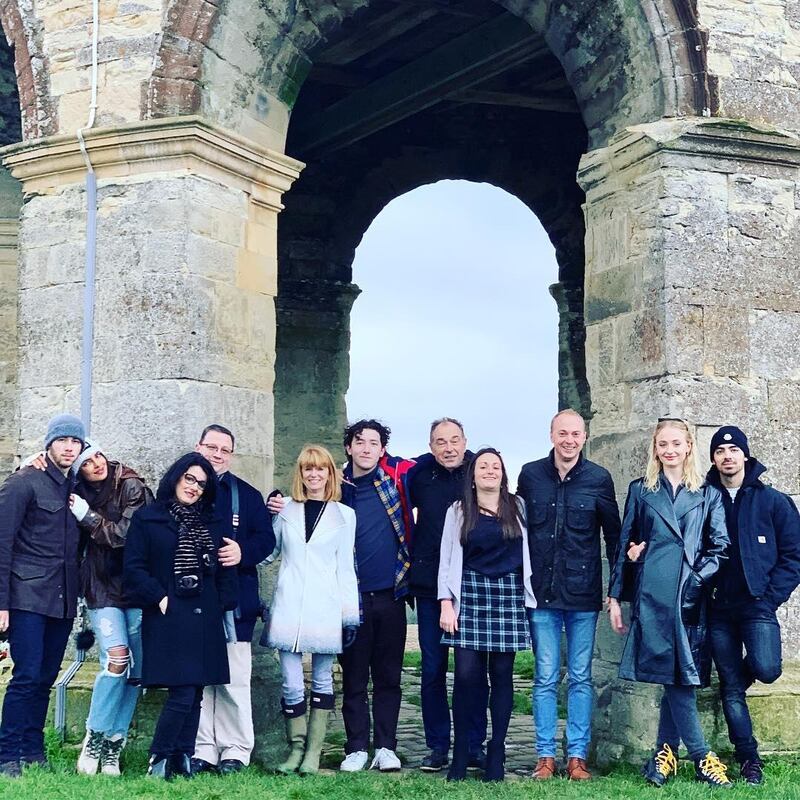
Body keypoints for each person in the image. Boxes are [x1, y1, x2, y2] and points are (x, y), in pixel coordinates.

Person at [607, 418, 732, 788]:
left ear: (689, 446)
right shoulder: (641, 490)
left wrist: (694, 578)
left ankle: (666, 755)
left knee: (678, 677)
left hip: (689, 597)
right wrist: (615, 596)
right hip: (653, 596)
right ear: (655, 448)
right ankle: (701, 757)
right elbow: (623, 547)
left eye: (676, 443)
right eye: (663, 444)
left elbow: (721, 548)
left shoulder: (708, 494)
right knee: (674, 676)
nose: (670, 450)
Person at [517, 408, 620, 781]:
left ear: (584, 437)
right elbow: (516, 529)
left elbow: (614, 537)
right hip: (541, 595)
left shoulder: (598, 479)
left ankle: (576, 756)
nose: (569, 440)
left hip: (582, 594)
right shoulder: (530, 475)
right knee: (545, 676)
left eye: (576, 434)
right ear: (551, 435)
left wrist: (615, 590)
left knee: (580, 677)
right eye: (563, 433)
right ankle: (545, 757)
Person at [123, 452, 239, 779]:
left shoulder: (212, 520)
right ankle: (158, 759)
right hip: (168, 613)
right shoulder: (149, 518)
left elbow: (224, 565)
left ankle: (182, 757)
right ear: (176, 477)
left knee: (198, 689)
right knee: (183, 690)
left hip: (205, 612)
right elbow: (133, 569)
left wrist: (223, 602)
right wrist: (159, 598)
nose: (194, 488)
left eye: (202, 484)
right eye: (189, 479)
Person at [706, 426, 800, 785]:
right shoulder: (704, 499)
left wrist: (770, 596)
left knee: (768, 668)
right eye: (720, 450)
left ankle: (733, 682)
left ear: (745, 455)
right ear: (713, 459)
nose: (727, 455)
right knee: (731, 688)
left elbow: (794, 555)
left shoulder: (772, 500)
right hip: (717, 609)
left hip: (757, 606)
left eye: (733, 449)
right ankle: (749, 759)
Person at [438, 448, 535, 782]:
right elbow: (447, 558)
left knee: (503, 678)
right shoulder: (459, 510)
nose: (490, 471)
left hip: (508, 595)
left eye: (496, 466)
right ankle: (461, 753)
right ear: (473, 474)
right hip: (470, 594)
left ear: (503, 473)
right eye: (483, 466)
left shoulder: (517, 506)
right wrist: (445, 603)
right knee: (465, 678)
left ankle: (497, 752)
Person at [0, 414, 86, 778]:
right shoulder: (23, 482)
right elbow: (2, 544)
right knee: (27, 675)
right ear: (49, 443)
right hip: (26, 597)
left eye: (75, 442)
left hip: (62, 599)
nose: (69, 447)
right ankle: (7, 755)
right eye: (62, 440)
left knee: (46, 676)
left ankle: (34, 750)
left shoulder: (75, 486)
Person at [268, 445, 360, 775]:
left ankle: (314, 752)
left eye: (320, 469)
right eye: (308, 468)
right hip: (289, 605)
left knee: (322, 679)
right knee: (291, 682)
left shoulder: (344, 515)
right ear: (301, 473)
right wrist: (266, 516)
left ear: (330, 474)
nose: (314, 474)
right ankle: (295, 747)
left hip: (326, 608)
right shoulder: (286, 509)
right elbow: (269, 552)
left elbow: (346, 567)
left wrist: (350, 617)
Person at [191, 424, 275, 776]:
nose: (217, 454)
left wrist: (243, 552)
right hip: (193, 600)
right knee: (198, 677)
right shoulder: (183, 489)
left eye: (224, 449)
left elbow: (266, 541)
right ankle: (202, 749)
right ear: (199, 447)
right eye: (211, 447)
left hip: (235, 601)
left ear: (231, 455)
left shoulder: (247, 495)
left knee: (234, 677)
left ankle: (236, 750)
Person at [407, 418, 487, 773]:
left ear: (465, 441)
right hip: (428, 586)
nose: (449, 447)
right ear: (430, 446)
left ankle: (474, 744)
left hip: (472, 585)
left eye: (455, 440)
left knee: (472, 672)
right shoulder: (418, 475)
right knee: (433, 670)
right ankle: (437, 745)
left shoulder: (479, 472)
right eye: (441, 442)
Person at [70, 443, 153, 776]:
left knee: (136, 670)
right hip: (101, 587)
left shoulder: (130, 484)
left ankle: (113, 745)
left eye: (98, 456)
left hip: (134, 584)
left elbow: (125, 536)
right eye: (87, 462)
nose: (96, 464)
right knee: (117, 659)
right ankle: (95, 735)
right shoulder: (74, 491)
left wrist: (87, 517)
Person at [338, 419, 415, 772]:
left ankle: (386, 746)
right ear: (349, 447)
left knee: (388, 677)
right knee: (353, 676)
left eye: (374, 443)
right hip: (349, 596)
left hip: (390, 594)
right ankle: (355, 747)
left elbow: (446, 462)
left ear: (382, 450)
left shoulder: (394, 483)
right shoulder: (334, 487)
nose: (366, 448)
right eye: (360, 442)